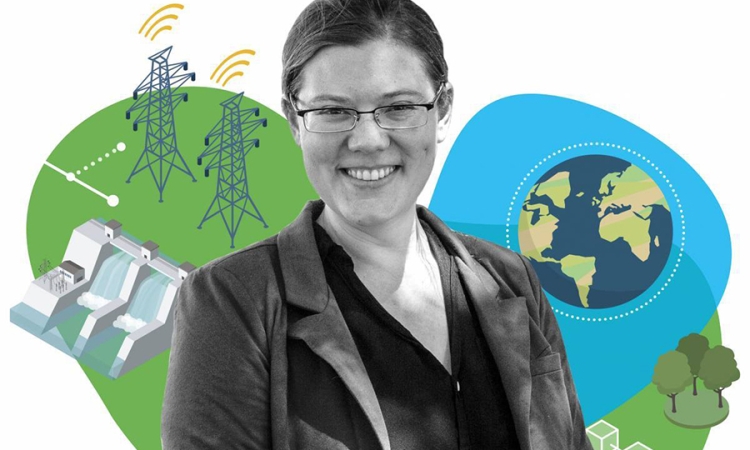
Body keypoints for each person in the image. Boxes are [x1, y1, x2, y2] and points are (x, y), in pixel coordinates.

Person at [162, 0, 592, 449]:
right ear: (294, 120)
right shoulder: (231, 299)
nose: (368, 140)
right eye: (332, 111)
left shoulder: (512, 280)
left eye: (399, 107)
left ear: (441, 110)